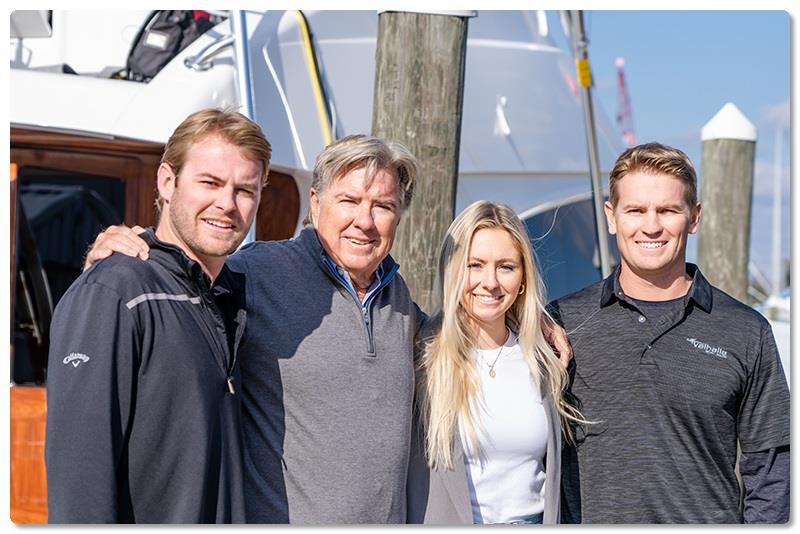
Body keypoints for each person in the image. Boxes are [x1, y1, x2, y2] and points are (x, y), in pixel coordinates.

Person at [85, 135, 573, 523]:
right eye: (349, 200)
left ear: (399, 216)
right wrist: (132, 246)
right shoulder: (256, 273)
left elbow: (471, 323)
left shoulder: (399, 303)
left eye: (382, 205)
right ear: (315, 203)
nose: (365, 220)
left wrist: (536, 321)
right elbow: (187, 276)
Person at [45, 108, 272, 523]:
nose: (227, 204)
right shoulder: (113, 292)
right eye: (211, 183)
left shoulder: (233, 297)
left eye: (245, 190)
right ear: (167, 181)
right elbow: (80, 479)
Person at [549, 142, 790, 524]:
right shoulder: (561, 321)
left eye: (667, 210)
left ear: (693, 217)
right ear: (611, 216)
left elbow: (774, 471)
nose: (651, 226)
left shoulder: (747, 331)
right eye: (636, 210)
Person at [406, 201, 583, 525]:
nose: (490, 282)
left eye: (505, 266)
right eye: (475, 265)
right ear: (453, 270)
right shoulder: (421, 353)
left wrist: (539, 320)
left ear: (523, 278)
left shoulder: (545, 359)